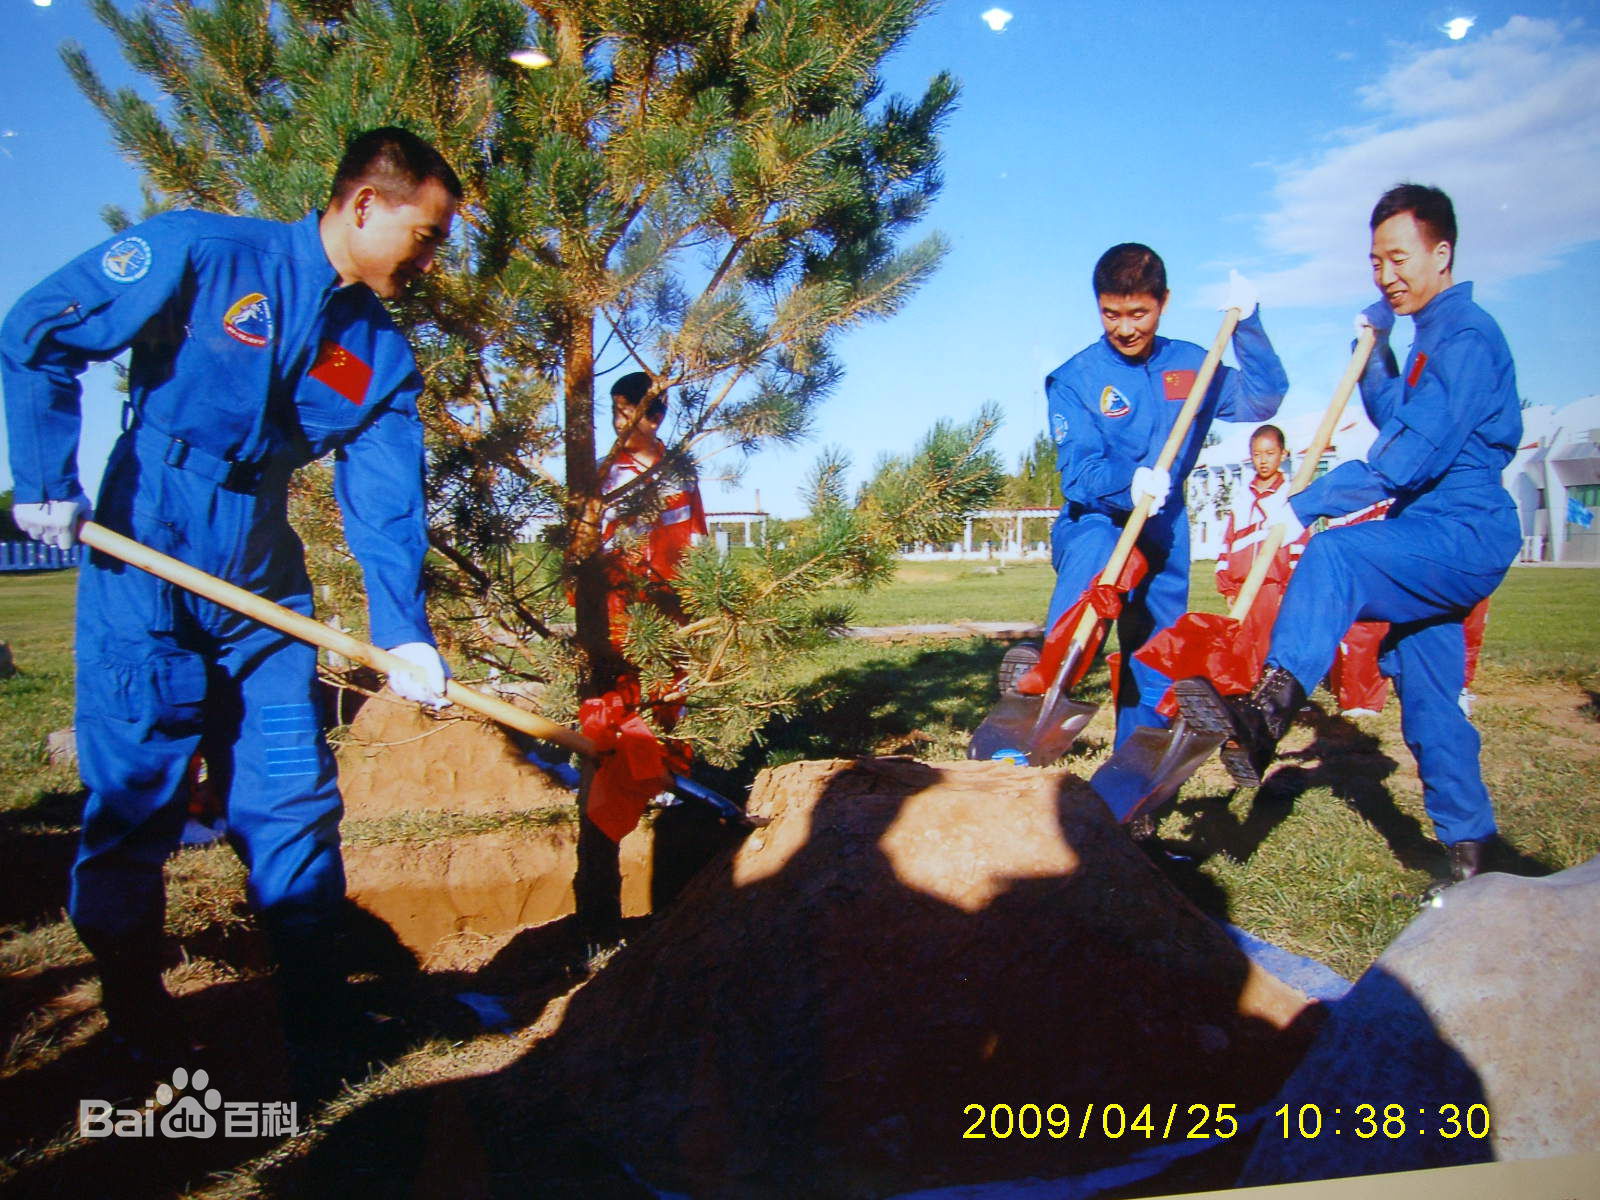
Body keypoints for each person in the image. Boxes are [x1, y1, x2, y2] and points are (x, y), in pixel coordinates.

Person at [1, 127, 460, 1069]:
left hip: (258, 583)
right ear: (365, 205)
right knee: (136, 800)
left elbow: (386, 500)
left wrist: (403, 633)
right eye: (426, 234)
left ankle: (320, 1018)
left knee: (292, 794)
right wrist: (43, 475)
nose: (433, 258)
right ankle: (137, 1015)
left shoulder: (378, 351)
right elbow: (40, 329)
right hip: (143, 557)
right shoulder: (205, 252)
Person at [1175, 184, 1521, 899]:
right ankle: (1474, 855)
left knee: (1336, 553)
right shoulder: (1432, 337)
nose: (1386, 274)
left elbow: (1412, 456)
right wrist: (1380, 353)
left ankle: (1269, 711)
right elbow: (1396, 417)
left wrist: (1308, 505)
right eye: (1375, 261)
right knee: (1429, 701)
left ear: (1442, 252)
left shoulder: (1467, 337)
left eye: (1399, 258)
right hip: (1425, 529)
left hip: (1459, 530)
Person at [1009, 244, 1288, 748]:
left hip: (1166, 530)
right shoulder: (1075, 379)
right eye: (1111, 313)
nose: (1126, 327)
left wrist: (1249, 325)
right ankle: (1046, 678)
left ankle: (1133, 782)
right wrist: (1129, 481)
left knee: (1155, 655)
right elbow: (1079, 474)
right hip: (1097, 520)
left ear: (1164, 302)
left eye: (1139, 312)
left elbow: (1262, 397)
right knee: (1099, 567)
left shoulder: (1192, 366)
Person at [1213, 423, 1310, 677]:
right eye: (1257, 454)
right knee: (1242, 640)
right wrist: (1227, 585)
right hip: (1242, 585)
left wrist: (1289, 587)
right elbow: (1228, 541)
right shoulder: (1242, 497)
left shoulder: (1290, 496)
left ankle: (1273, 691)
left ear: (1283, 454)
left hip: (1272, 584)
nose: (1263, 461)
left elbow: (1300, 545)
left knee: (1272, 639)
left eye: (1270, 453)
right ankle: (1243, 689)